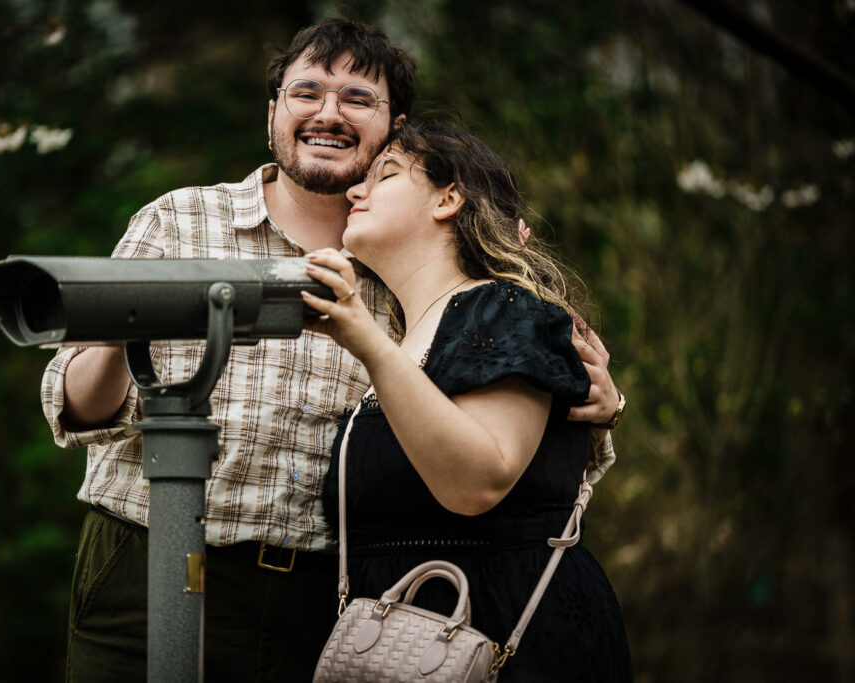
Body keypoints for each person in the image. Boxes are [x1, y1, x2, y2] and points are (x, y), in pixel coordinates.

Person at [40, 18, 623, 683]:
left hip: (323, 597)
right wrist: (127, 322)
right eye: (306, 92)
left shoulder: (405, 264)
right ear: (273, 115)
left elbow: (520, 447)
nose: (327, 112)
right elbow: (74, 404)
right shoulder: (179, 220)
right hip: (147, 560)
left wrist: (600, 404)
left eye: (356, 98)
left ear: (392, 127)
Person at [304, 120, 632, 681]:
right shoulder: (413, 330)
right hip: (398, 649)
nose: (354, 191)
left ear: (448, 198)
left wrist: (366, 342)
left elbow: (479, 481)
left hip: (504, 640)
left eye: (382, 175)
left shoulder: (503, 309)